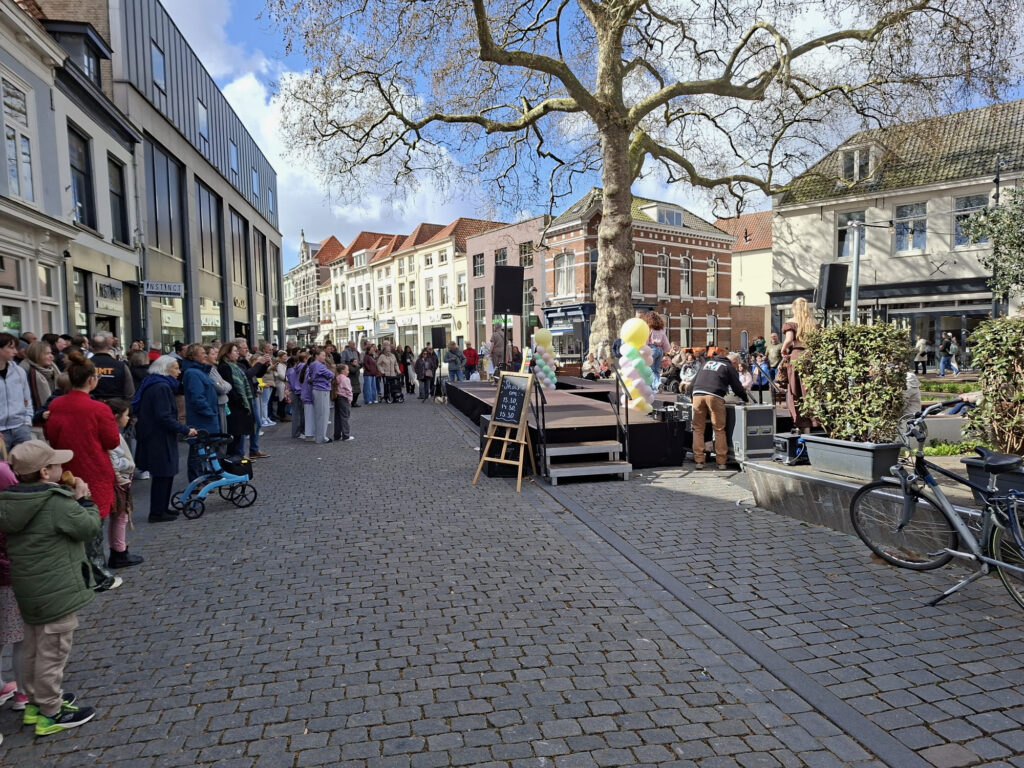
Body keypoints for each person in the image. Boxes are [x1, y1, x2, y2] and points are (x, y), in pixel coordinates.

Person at [0, 440, 100, 736]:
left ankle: (33, 702)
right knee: (53, 652)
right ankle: (50, 712)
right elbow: (88, 527)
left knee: (32, 647)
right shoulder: (56, 503)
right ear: (45, 472)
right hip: (56, 590)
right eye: (57, 464)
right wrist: (83, 500)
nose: (63, 467)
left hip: (28, 590)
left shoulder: (9, 501)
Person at [44, 350, 122, 591]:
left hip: (66, 469)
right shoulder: (98, 409)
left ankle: (79, 572)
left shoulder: (57, 404)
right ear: (92, 380)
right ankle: (98, 576)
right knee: (93, 523)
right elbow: (111, 441)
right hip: (94, 468)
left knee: (71, 522)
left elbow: (51, 435)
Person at [133, 356, 197, 523]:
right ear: (166, 370)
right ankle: (157, 511)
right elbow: (163, 416)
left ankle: (162, 508)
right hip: (158, 437)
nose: (179, 372)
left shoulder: (158, 385)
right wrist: (184, 429)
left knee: (166, 473)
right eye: (175, 368)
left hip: (158, 435)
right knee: (163, 473)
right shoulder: (160, 387)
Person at [689, 351, 749, 470]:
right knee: (719, 429)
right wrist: (746, 399)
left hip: (697, 394)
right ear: (735, 362)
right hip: (715, 395)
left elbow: (692, 383)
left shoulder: (706, 363)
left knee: (698, 429)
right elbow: (737, 388)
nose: (736, 368)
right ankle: (721, 462)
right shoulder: (729, 367)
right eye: (737, 366)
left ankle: (699, 461)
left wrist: (692, 397)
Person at [105, 400, 143, 569]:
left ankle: (118, 550)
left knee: (120, 517)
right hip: (119, 480)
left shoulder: (114, 432)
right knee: (121, 516)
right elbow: (113, 459)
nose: (128, 419)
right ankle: (119, 551)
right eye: (126, 415)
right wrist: (128, 466)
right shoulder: (111, 433)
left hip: (121, 478)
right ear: (116, 416)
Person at [180, 344, 221, 480]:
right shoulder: (193, 373)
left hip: (206, 417)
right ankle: (196, 480)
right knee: (197, 450)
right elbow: (197, 397)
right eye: (202, 353)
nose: (205, 355)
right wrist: (209, 412)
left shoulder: (200, 372)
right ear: (194, 356)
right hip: (202, 418)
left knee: (204, 449)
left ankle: (204, 477)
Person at [781, 297, 818, 432]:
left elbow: (789, 339)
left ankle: (803, 426)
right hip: (811, 357)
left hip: (797, 355)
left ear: (794, 308)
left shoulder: (791, 322)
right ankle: (813, 422)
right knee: (808, 390)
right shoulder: (813, 322)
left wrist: (783, 348)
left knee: (795, 391)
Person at [217, 343, 254, 458]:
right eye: (234, 351)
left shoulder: (236, 366)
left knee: (238, 436)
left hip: (239, 405)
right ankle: (233, 461)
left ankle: (238, 458)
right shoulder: (225, 367)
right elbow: (230, 387)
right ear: (227, 353)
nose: (237, 353)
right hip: (234, 407)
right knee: (234, 436)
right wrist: (239, 400)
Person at [0, 333, 33, 449]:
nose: (15, 351)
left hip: (20, 427)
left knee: (28, 465)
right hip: (1, 432)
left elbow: (27, 399)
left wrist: (27, 423)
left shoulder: (19, 371)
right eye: (11, 347)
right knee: (2, 466)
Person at [89, 332, 135, 402]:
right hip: (115, 407)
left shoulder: (84, 365)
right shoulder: (121, 366)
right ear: (109, 347)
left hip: (90, 405)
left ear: (91, 347)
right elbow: (130, 392)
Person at [302, 349, 334, 443]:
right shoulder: (317, 365)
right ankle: (321, 437)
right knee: (322, 414)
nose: (324, 357)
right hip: (321, 389)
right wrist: (330, 374)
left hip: (320, 389)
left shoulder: (315, 365)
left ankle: (321, 436)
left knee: (322, 414)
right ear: (317, 356)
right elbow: (330, 374)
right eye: (323, 355)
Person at [21, 340, 59, 413]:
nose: (51, 356)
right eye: (47, 354)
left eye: (51, 353)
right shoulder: (25, 371)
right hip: (34, 415)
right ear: (36, 354)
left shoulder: (53, 369)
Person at [645, 312, 671, 389]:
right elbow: (665, 341)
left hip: (652, 349)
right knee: (656, 370)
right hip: (660, 350)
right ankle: (657, 384)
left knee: (650, 369)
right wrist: (667, 350)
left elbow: (646, 340)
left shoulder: (649, 328)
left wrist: (643, 349)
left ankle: (656, 384)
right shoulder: (662, 329)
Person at [333, 364, 355, 442]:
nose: (348, 371)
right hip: (344, 398)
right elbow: (349, 390)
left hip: (337, 398)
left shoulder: (337, 378)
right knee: (345, 417)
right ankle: (346, 435)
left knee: (337, 417)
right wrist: (350, 399)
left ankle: (337, 435)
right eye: (347, 370)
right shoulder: (345, 379)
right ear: (343, 371)